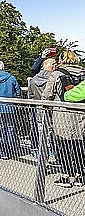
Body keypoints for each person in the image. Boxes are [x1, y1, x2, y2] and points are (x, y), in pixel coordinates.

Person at [42, 50, 85, 188]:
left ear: (61, 60)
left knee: (63, 146)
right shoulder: (83, 73)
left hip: (62, 115)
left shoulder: (56, 74)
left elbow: (47, 95)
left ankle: (66, 176)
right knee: (79, 145)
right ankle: (80, 176)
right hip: (81, 114)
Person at [28, 58, 56, 157]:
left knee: (38, 129)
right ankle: (51, 150)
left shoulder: (34, 79)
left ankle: (37, 150)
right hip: (51, 108)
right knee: (51, 130)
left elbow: (30, 95)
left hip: (37, 107)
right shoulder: (53, 79)